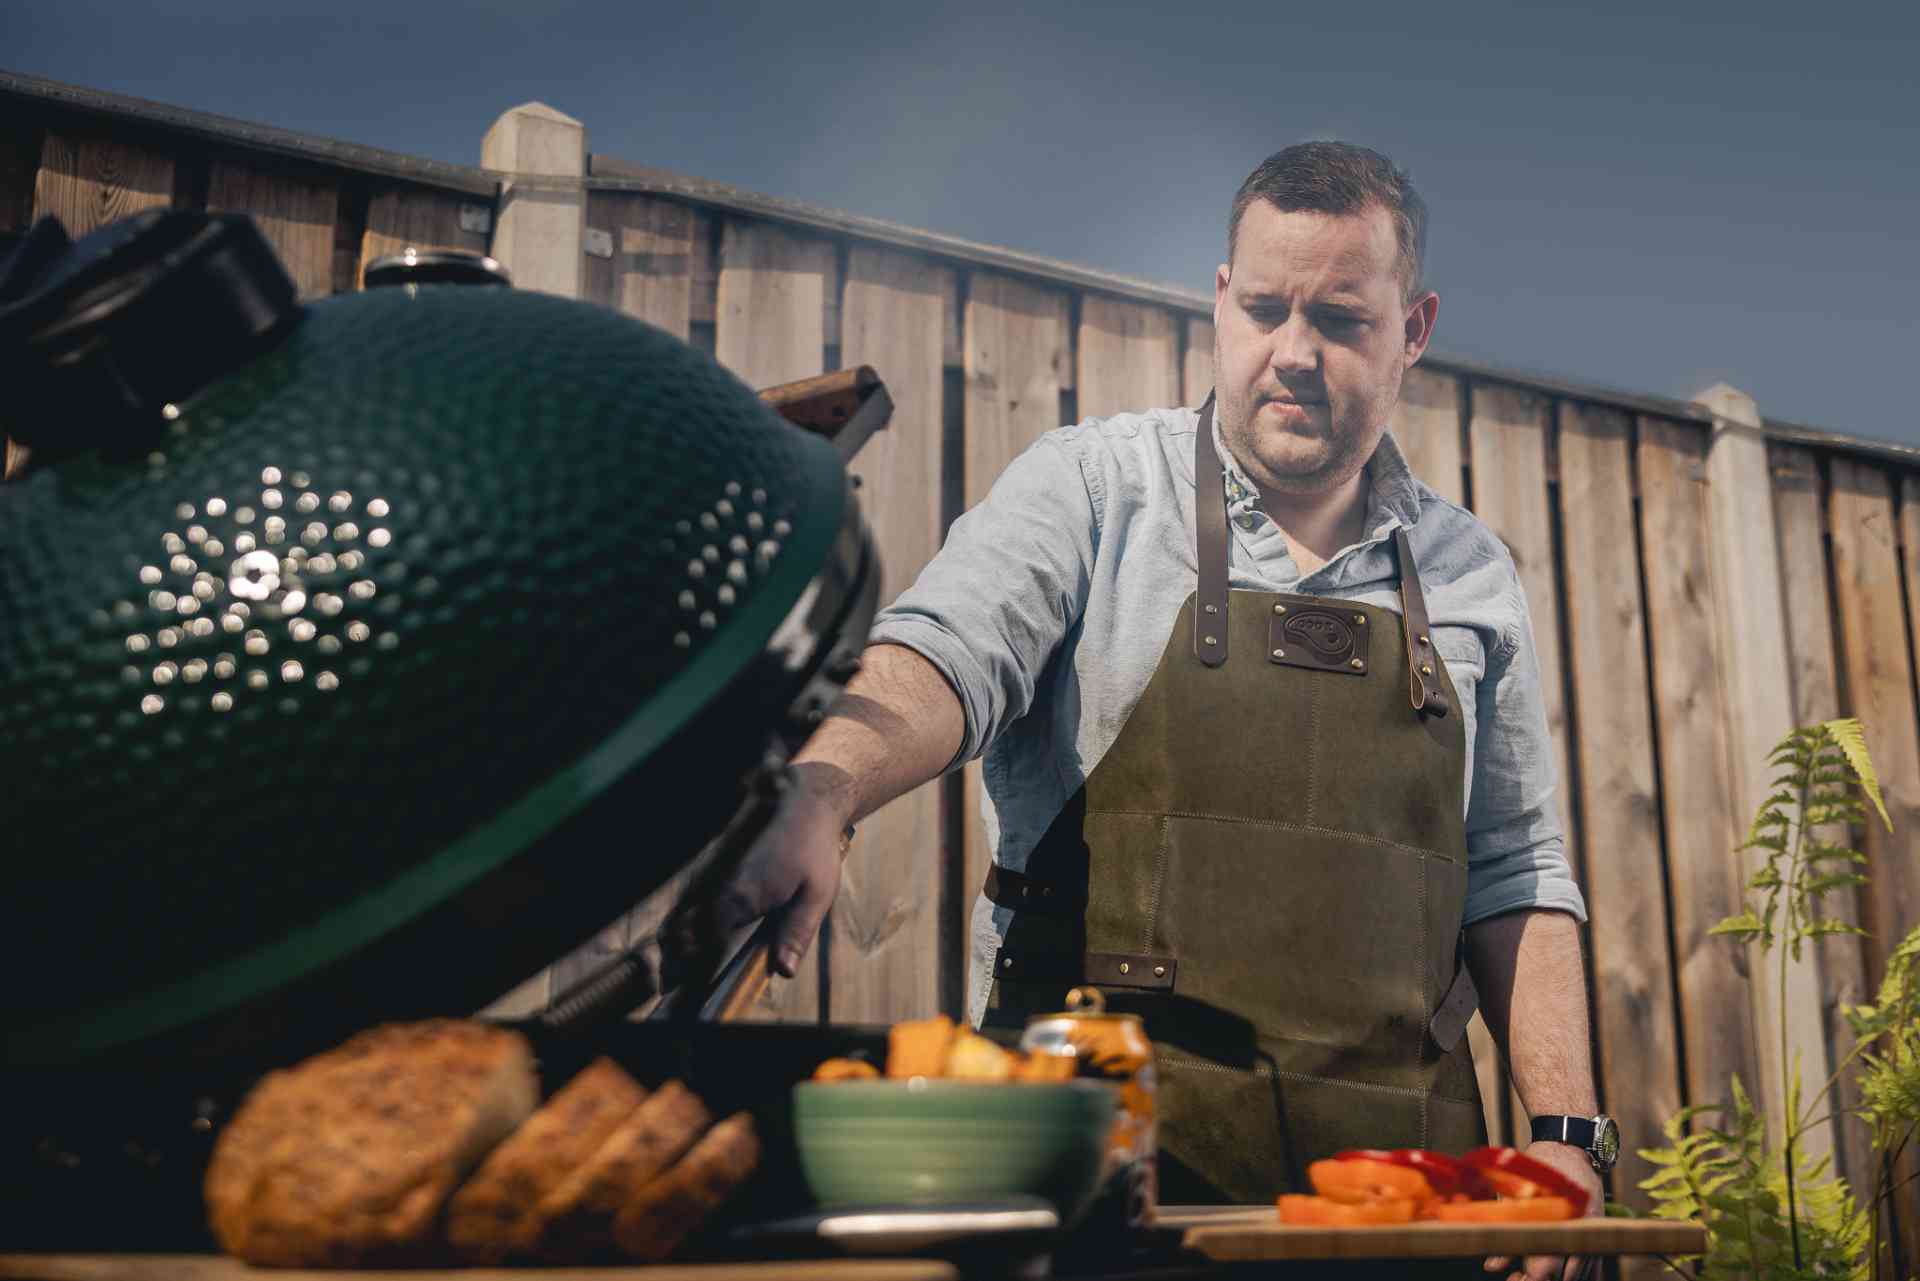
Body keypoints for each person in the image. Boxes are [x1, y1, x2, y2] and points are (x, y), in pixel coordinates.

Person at [694, 142, 1608, 1281]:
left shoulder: (1473, 575)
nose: (1294, 354)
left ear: (1413, 329)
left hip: (1400, 1210)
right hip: (1097, 1193)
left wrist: (1567, 1139)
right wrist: (824, 790)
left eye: (1341, 318)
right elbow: (943, 655)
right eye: (1265, 308)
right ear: (1220, 303)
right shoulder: (1092, 489)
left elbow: (1518, 872)